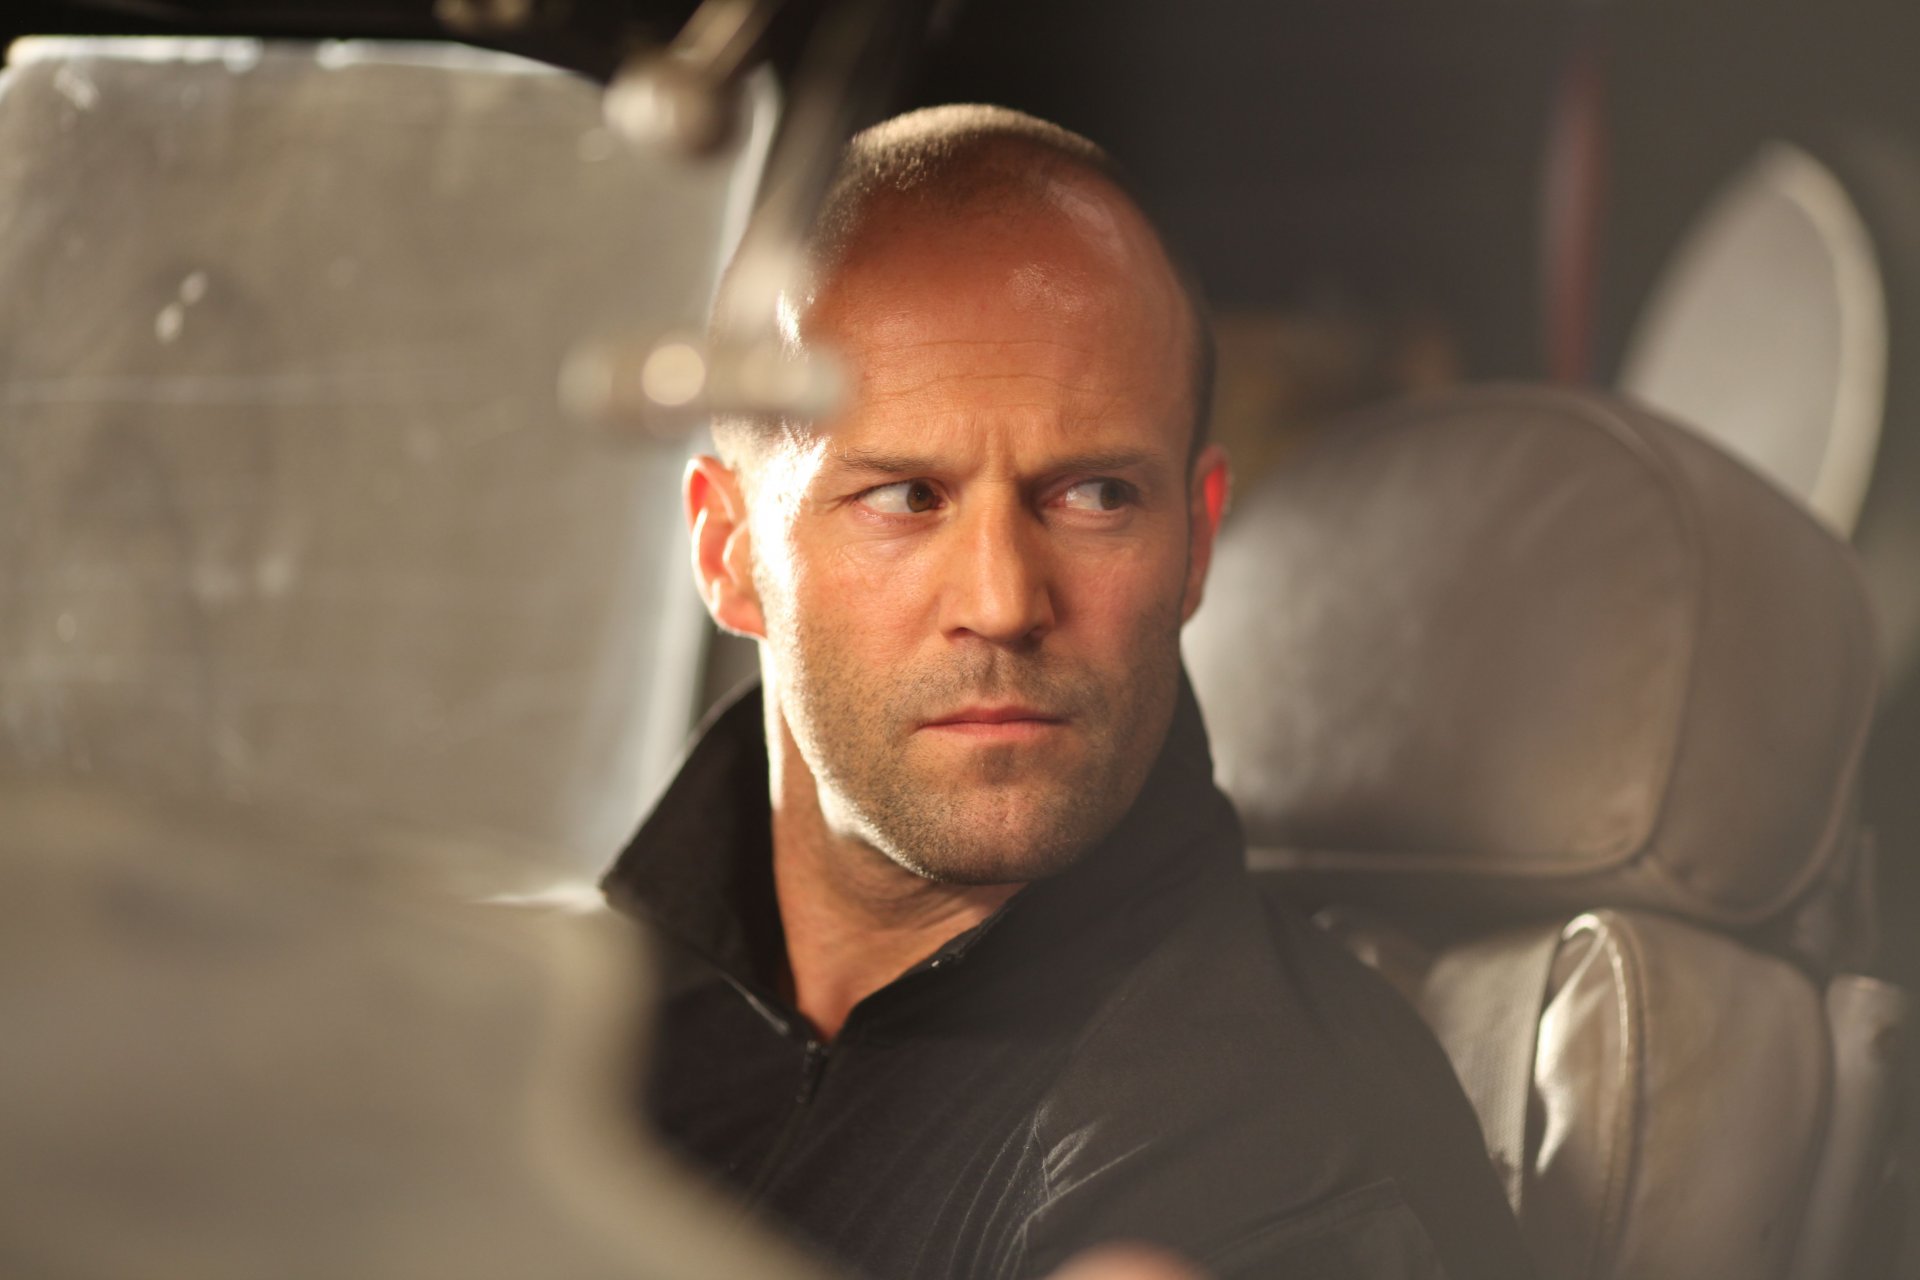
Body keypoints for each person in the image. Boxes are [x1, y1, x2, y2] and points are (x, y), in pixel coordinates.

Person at [602, 104, 1535, 1279]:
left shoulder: (1273, 1156)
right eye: (906, 497)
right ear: (729, 552)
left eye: (1094, 494)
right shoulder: (561, 1012)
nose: (1003, 600)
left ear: (1195, 541)